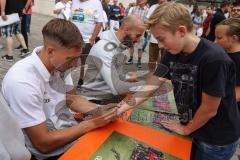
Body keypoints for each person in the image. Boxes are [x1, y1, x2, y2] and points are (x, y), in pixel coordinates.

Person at [117, 2, 240, 160]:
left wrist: (186, 130)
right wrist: (122, 108)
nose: (160, 45)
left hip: (215, 138)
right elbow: (152, 84)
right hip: (194, 125)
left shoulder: (214, 59)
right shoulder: (172, 52)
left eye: (162, 39)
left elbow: (210, 109)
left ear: (181, 31)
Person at [2, 19, 117, 160]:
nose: (75, 65)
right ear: (50, 51)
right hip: (51, 153)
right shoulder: (22, 81)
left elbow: (71, 98)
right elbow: (43, 144)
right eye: (71, 59)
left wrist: (100, 110)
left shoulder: (58, 64)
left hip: (69, 136)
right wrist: (93, 123)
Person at [80, 15, 146, 104]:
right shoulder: (103, 48)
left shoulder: (121, 45)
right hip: (95, 100)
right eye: (137, 36)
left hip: (107, 96)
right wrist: (147, 86)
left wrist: (127, 77)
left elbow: (114, 76)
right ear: (126, 29)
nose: (138, 40)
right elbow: (117, 88)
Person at [71, 0, 103, 88]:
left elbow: (99, 22)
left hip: (86, 40)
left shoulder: (96, 2)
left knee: (84, 63)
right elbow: (71, 18)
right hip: (73, 39)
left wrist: (92, 38)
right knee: (69, 61)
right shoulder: (74, 1)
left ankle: (81, 79)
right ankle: (67, 81)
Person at [215, 17, 240, 111]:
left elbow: (236, 95)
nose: (215, 42)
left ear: (234, 38)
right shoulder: (224, 54)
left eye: (219, 38)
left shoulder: (237, 60)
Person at [146, 0, 167, 72]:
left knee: (165, 60)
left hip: (166, 40)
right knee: (152, 60)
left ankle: (163, 76)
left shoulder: (170, 7)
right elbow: (148, 21)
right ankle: (151, 75)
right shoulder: (153, 7)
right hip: (153, 39)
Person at [127, 0, 148, 68]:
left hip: (140, 32)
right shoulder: (134, 8)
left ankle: (139, 61)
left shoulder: (147, 10)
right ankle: (131, 58)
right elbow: (131, 18)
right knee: (131, 45)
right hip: (132, 30)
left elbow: (146, 22)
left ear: (145, 1)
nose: (139, 1)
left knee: (140, 47)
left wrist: (141, 31)